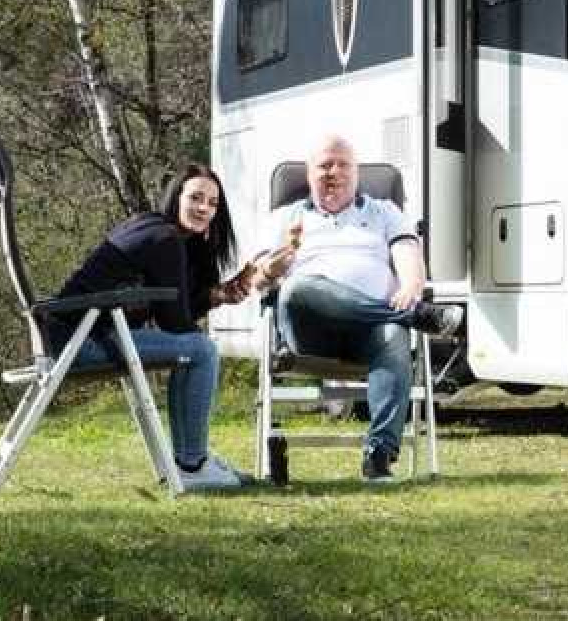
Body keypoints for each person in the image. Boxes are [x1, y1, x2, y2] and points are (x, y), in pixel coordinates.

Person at [255, 134, 463, 483]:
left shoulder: (385, 212)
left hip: (368, 334)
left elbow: (409, 260)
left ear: (356, 172)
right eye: (324, 166)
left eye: (343, 165)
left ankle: (379, 455)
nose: (333, 172)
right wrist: (277, 263)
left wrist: (412, 285)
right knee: (296, 288)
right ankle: (415, 317)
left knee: (394, 336)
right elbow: (259, 279)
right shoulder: (285, 217)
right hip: (309, 332)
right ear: (309, 175)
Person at [48, 163, 260, 492]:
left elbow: (173, 309)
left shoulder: (155, 229)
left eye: (213, 203)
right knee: (201, 350)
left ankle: (193, 460)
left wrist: (218, 295)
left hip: (73, 336)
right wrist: (204, 311)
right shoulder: (164, 239)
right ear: (176, 197)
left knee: (194, 349)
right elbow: (175, 323)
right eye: (196, 198)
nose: (204, 208)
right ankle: (192, 464)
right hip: (79, 342)